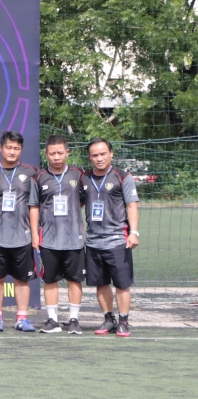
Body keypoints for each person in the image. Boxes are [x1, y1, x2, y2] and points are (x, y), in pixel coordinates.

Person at [79, 138, 139, 337]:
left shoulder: (123, 176)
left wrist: (134, 232)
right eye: (95, 155)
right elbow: (77, 203)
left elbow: (131, 205)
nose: (99, 158)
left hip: (117, 240)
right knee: (101, 283)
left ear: (111, 154)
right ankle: (108, 319)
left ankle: (123, 321)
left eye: (103, 154)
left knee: (122, 284)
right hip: (93, 241)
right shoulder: (84, 178)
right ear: (90, 157)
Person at [0, 131, 39, 332]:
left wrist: (35, 235)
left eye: (16, 148)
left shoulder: (32, 173)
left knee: (22, 280)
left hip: (23, 237)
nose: (12, 152)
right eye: (8, 147)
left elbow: (35, 205)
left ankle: (22, 318)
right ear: (1, 148)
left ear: (21, 150)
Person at [29, 134, 86, 335]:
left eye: (60, 153)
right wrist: (35, 235)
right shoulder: (38, 177)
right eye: (52, 153)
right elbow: (34, 206)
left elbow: (83, 200)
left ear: (67, 153)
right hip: (49, 239)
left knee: (74, 280)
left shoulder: (79, 175)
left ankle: (74, 320)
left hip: (74, 239)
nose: (56, 157)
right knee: (50, 280)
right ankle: (53, 320)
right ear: (46, 154)